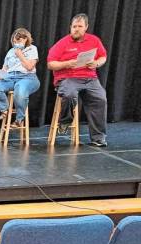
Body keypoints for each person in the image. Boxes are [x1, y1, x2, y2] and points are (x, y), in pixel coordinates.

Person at [47, 13, 108, 147]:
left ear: (86, 27)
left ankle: (98, 137)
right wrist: (67, 64)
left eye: (80, 26)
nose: (76, 29)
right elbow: (50, 64)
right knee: (69, 94)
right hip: (68, 78)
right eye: (74, 26)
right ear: (70, 27)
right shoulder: (63, 43)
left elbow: (103, 56)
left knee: (100, 98)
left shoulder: (94, 40)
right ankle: (65, 121)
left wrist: (96, 63)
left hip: (90, 78)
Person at [0, 28, 40, 128]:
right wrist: (1, 75)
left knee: (20, 89)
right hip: (11, 77)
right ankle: (4, 110)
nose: (16, 43)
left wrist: (20, 55)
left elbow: (29, 67)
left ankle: (19, 119)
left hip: (28, 77)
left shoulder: (32, 49)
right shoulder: (10, 52)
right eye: (15, 41)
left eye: (19, 40)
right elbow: (5, 68)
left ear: (26, 39)